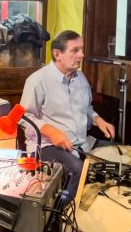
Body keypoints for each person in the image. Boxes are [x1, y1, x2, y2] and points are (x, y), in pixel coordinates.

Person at [20, 30, 115, 205]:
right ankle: (60, 217)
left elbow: (86, 108)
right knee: (77, 169)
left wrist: (98, 120)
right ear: (57, 54)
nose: (82, 55)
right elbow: (24, 116)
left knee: (118, 154)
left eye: (82, 49)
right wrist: (51, 131)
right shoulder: (37, 80)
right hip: (47, 145)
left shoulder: (81, 78)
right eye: (75, 50)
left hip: (81, 142)